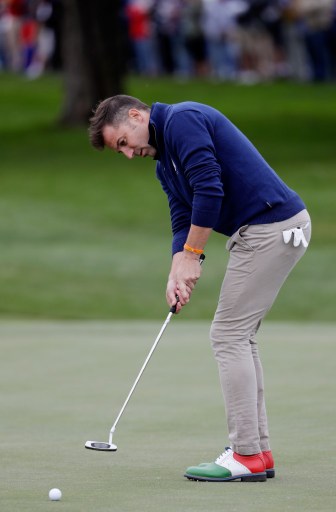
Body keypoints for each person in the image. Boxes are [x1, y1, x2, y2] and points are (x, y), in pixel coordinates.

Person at [88, 95, 311, 482]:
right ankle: (257, 451)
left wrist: (194, 254)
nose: (127, 155)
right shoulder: (165, 164)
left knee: (228, 335)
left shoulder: (182, 120)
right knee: (239, 337)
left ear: (137, 115)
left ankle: (245, 455)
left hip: (271, 228)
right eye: (118, 151)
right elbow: (183, 214)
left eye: (123, 142)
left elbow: (210, 188)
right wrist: (178, 266)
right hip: (266, 231)